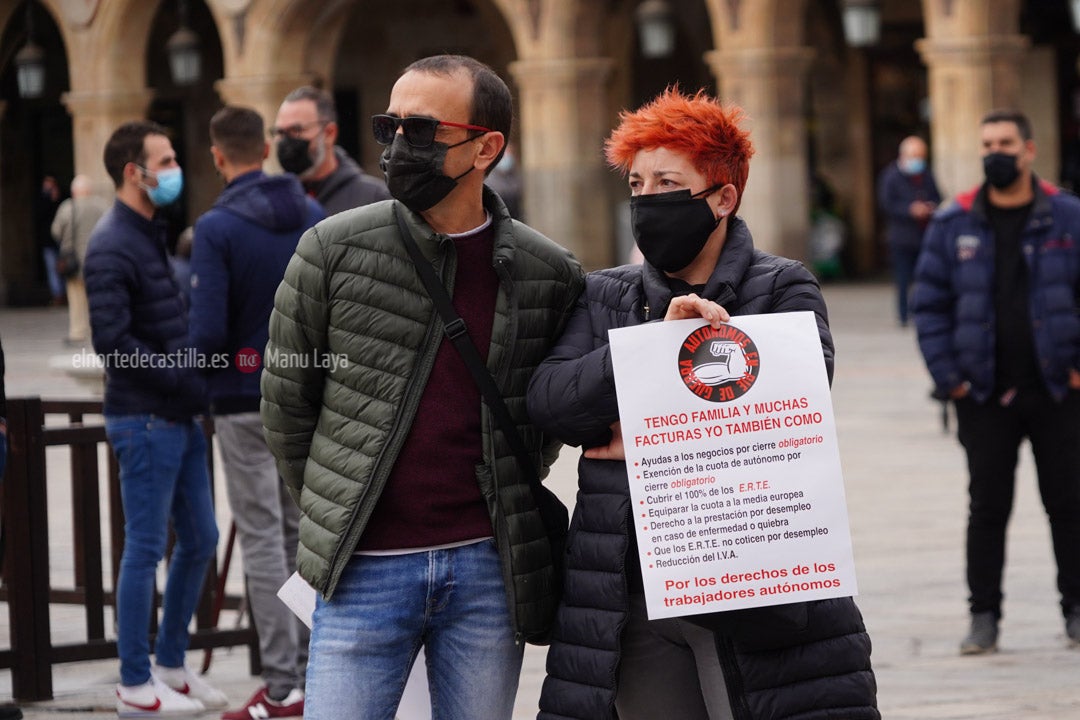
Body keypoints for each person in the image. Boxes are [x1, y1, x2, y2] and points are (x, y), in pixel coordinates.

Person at [526, 88, 880, 720]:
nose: (647, 200)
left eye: (668, 182)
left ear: (723, 198)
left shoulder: (782, 285)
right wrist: (661, 345)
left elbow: (795, 397)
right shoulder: (604, 293)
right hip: (627, 586)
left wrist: (644, 434)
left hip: (752, 580)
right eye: (637, 184)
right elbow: (551, 402)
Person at [260, 54, 583, 719]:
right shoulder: (329, 249)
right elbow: (287, 406)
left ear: (487, 147)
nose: (399, 146)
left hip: (487, 575)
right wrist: (341, 501)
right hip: (363, 570)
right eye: (390, 127)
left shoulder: (548, 272)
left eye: (423, 129)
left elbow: (544, 415)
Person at [911, 108, 1080, 655]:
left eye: (1005, 143)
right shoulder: (952, 221)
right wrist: (950, 378)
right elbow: (929, 305)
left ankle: (1076, 610)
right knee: (987, 506)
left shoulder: (1068, 216)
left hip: (1059, 391)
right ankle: (983, 616)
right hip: (982, 394)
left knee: (1070, 503)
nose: (995, 153)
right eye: (987, 144)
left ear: (1029, 150)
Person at [83, 120, 226, 717]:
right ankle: (135, 683)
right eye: (164, 161)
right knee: (145, 548)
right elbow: (113, 342)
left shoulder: (149, 233)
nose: (174, 170)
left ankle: (170, 664)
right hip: (143, 420)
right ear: (132, 172)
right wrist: (182, 376)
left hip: (180, 416)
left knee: (200, 539)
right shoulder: (112, 242)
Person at [189, 105, 324, 720]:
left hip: (243, 402)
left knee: (263, 539)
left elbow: (209, 333)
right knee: (302, 535)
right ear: (265, 148)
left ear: (219, 156)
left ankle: (282, 684)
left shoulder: (216, 229)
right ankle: (317, 668)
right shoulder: (312, 216)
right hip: (308, 397)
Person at [272, 85, 390, 216]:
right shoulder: (271, 198)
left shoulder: (374, 199)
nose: (286, 140)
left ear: (329, 133)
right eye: (280, 132)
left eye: (296, 130)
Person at [877, 135, 941, 326]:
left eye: (921, 157)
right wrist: (909, 209)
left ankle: (921, 310)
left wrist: (929, 207)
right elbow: (886, 204)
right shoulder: (890, 176)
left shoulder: (926, 175)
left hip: (924, 235)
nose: (918, 161)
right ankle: (904, 314)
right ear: (904, 155)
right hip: (902, 237)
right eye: (914, 156)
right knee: (903, 278)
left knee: (924, 277)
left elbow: (938, 196)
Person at [51, 175, 110, 346]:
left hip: (74, 261)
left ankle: (78, 332)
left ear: (74, 191)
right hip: (98, 259)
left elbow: (56, 231)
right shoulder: (102, 205)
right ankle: (97, 329)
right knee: (97, 297)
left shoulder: (67, 208)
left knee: (77, 298)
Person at [36, 175, 65, 307]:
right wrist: (49, 200)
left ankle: (63, 294)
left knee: (64, 268)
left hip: (61, 240)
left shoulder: (61, 200)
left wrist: (55, 199)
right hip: (48, 241)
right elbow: (40, 215)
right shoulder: (41, 200)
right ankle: (57, 295)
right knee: (52, 268)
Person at [484, 140, 522, 220]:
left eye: (510, 153)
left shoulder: (514, 176)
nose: (508, 157)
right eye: (505, 154)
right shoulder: (490, 178)